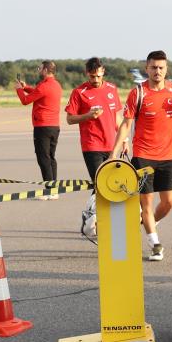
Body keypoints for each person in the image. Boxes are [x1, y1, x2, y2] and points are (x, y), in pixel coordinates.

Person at [111, 50, 172, 261]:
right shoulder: (138, 93)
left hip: (169, 155)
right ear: (147, 68)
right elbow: (126, 124)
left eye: (161, 67)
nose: (157, 71)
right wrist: (114, 153)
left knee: (169, 202)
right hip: (143, 155)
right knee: (146, 204)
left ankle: (148, 223)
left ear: (166, 69)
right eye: (154, 67)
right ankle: (155, 243)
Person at [66, 58, 121, 238]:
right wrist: (88, 116)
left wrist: (124, 139)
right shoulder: (79, 92)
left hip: (112, 145)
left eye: (98, 76)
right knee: (101, 183)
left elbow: (116, 117)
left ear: (103, 71)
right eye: (92, 76)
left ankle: (90, 217)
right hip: (92, 145)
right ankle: (97, 221)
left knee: (111, 184)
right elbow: (70, 119)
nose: (95, 80)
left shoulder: (112, 89)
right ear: (86, 73)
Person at [15, 60, 62, 199]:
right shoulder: (56, 85)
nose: (38, 70)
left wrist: (19, 89)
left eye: (40, 68)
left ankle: (49, 191)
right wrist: (25, 87)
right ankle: (54, 189)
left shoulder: (44, 85)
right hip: (54, 126)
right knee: (51, 158)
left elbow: (25, 100)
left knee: (43, 159)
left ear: (46, 70)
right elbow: (38, 93)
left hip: (43, 127)